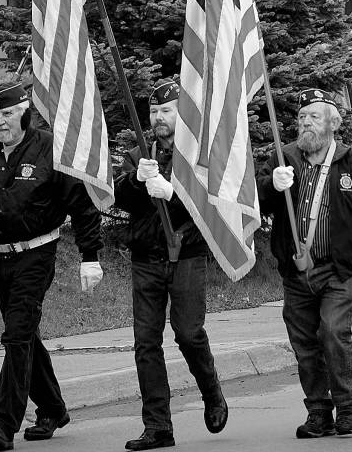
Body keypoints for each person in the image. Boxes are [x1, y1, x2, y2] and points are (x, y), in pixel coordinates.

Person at [0, 80, 104, 452]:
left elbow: (82, 204)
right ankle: (53, 408)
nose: (0, 122)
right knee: (24, 335)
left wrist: (90, 256)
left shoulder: (49, 149)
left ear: (24, 112)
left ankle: (1, 424)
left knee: (16, 335)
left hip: (36, 254)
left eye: (7, 114)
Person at [257, 88, 352, 440]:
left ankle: (347, 407)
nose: (306, 122)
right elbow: (252, 200)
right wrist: (272, 185)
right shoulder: (284, 157)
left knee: (334, 334)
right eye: (302, 116)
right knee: (304, 342)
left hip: (337, 271)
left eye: (314, 116)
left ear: (333, 123)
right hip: (296, 273)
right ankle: (319, 412)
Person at [114, 79, 228, 451]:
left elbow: (210, 201)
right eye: (154, 111)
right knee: (146, 343)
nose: (159, 118)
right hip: (146, 258)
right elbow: (120, 198)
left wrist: (173, 192)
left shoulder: (197, 155)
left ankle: (212, 393)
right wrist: (136, 179)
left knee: (188, 333)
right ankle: (158, 426)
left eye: (167, 110)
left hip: (187, 256)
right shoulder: (138, 154)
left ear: (182, 112)